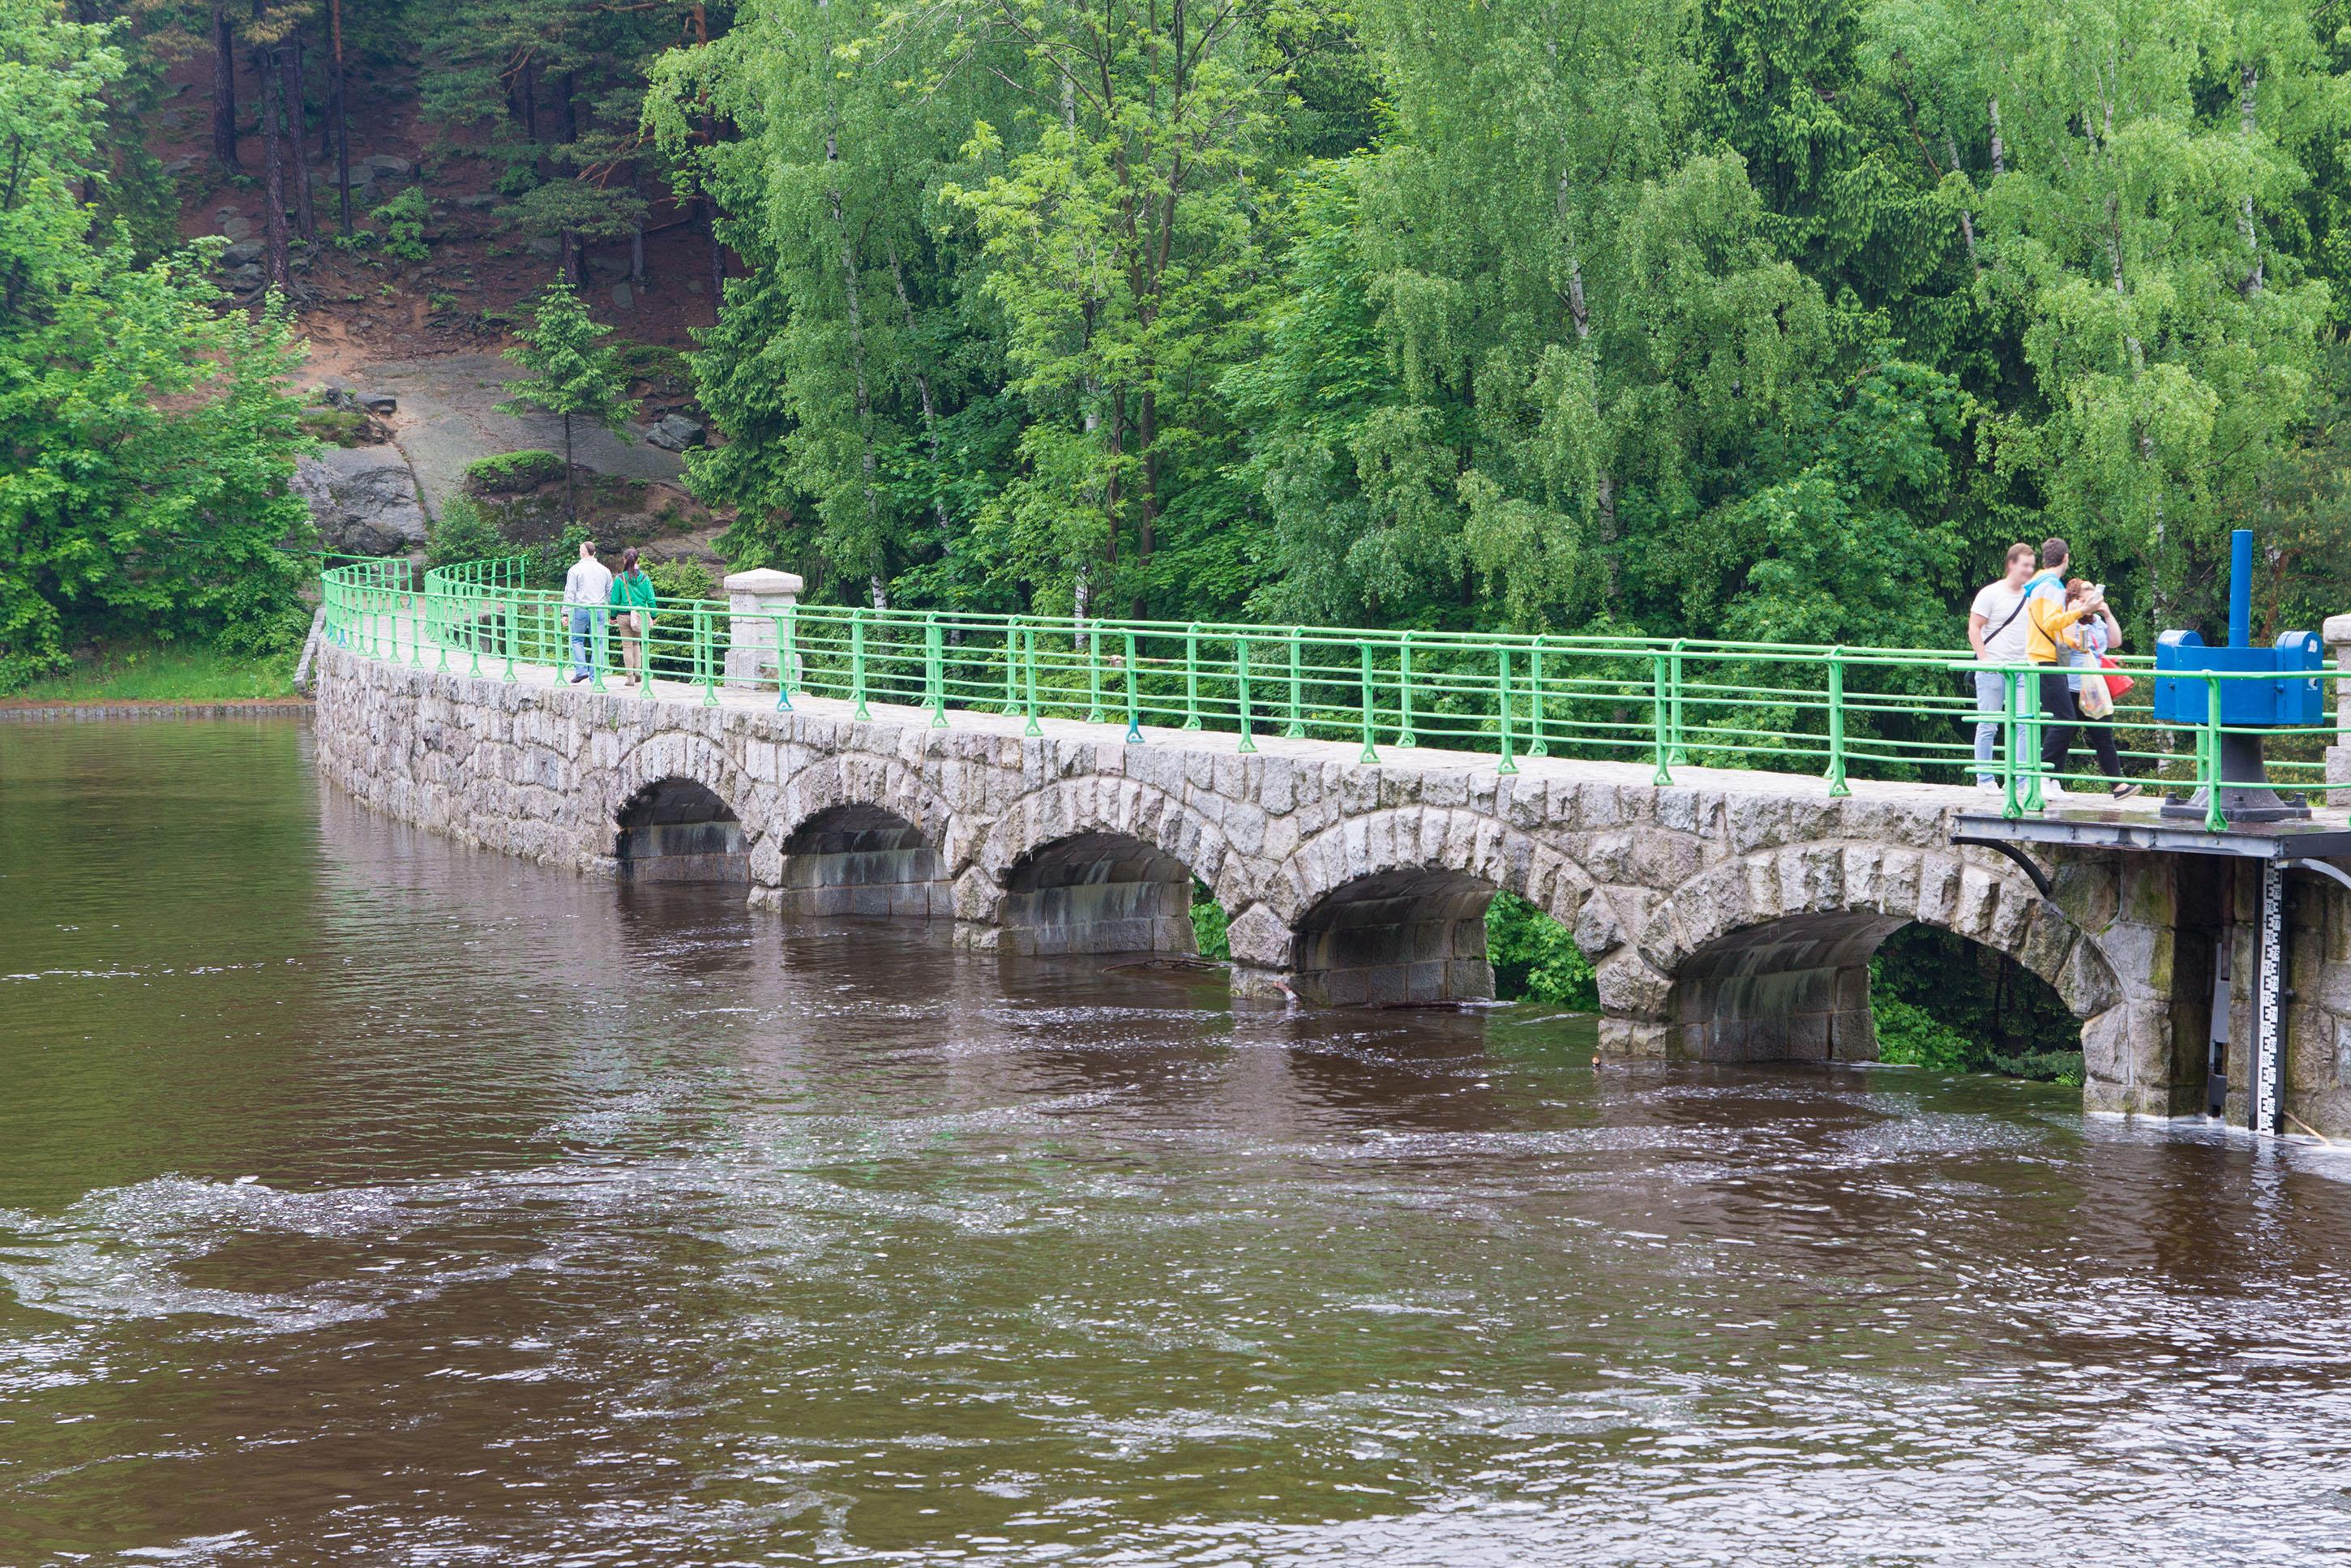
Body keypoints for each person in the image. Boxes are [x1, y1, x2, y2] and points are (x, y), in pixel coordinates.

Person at [2053, 577, 2138, 799]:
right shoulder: (2067, 617)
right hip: (2072, 686)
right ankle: (2049, 780)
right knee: (2062, 735)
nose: (2093, 601)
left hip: (2095, 688)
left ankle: (2118, 786)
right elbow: (2068, 640)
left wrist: (2107, 614)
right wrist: (2076, 612)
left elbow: (2115, 641)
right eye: (2087, 597)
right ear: (2075, 599)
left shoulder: (2097, 621)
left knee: (2103, 736)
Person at [1967, 542, 2039, 789]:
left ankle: (2021, 782)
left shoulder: (2031, 596)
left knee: (2024, 723)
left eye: (2032, 565)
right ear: (2011, 564)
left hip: (2022, 669)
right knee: (1988, 723)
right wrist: (1984, 660)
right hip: (1993, 668)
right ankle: (1985, 779)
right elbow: (1974, 628)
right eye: (2025, 565)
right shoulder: (1991, 593)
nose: (2029, 570)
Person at [562, 540, 613, 683]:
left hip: (581, 609)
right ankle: (595, 676)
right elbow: (610, 593)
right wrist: (613, 613)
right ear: (594, 553)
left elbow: (570, 593)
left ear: (582, 552)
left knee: (576, 639)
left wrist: (565, 613)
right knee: (598, 642)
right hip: (599, 609)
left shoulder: (575, 570)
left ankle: (581, 670)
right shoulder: (604, 570)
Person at [609, 546, 657, 688]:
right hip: (639, 616)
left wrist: (612, 617)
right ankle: (638, 671)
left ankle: (630, 677)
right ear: (637, 560)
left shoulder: (620, 579)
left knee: (627, 645)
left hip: (623, 616)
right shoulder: (645, 579)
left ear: (624, 560)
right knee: (637, 644)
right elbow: (651, 599)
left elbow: (614, 600)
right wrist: (653, 616)